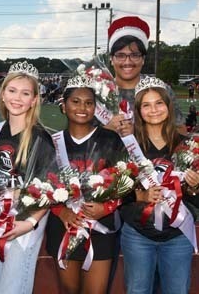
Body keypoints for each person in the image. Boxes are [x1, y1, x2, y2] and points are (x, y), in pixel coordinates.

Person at [120, 76, 199, 294]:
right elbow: (115, 194)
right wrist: (140, 197)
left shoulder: (187, 145)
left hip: (177, 236)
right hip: (138, 235)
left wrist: (195, 186)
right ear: (138, 110)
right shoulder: (128, 147)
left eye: (159, 103)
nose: (153, 110)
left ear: (168, 106)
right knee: (137, 290)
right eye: (146, 105)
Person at [45, 75, 126, 294]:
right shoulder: (51, 143)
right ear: (64, 105)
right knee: (69, 290)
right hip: (64, 226)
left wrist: (106, 208)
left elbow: (127, 182)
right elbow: (39, 188)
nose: (82, 107)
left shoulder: (111, 139)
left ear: (95, 107)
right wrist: (62, 212)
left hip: (100, 226)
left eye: (89, 103)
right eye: (76, 101)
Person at [0, 61, 55, 294]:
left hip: (24, 221)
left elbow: (50, 189)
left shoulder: (41, 139)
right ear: (2, 94)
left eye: (25, 93)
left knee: (13, 288)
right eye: (12, 91)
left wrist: (30, 222)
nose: (17, 98)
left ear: (34, 99)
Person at [104, 16, 186, 137]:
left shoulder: (160, 89)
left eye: (135, 55)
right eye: (120, 55)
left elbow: (181, 130)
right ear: (111, 59)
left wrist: (140, 133)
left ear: (143, 59)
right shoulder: (100, 91)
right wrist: (105, 128)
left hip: (154, 156)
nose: (127, 62)